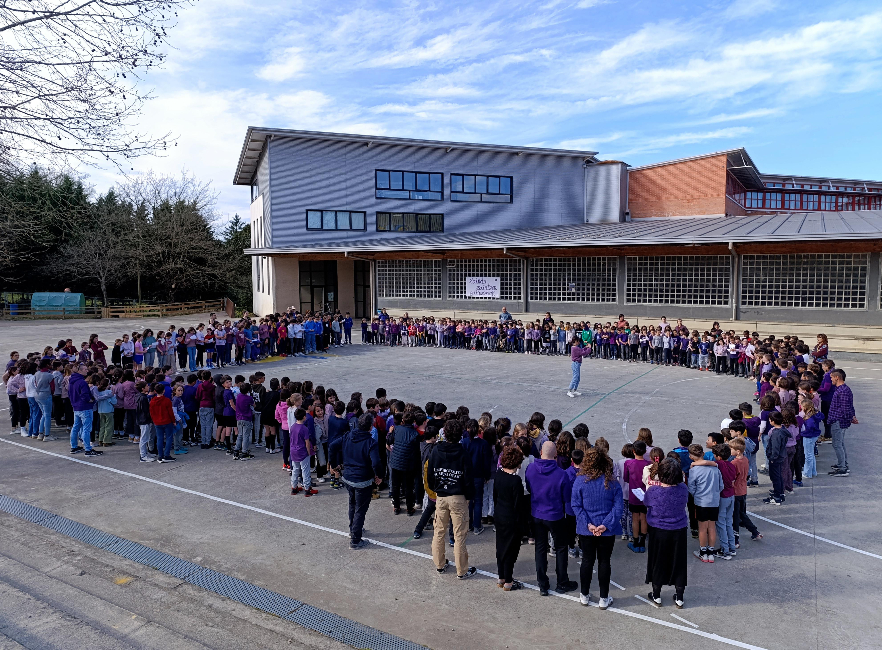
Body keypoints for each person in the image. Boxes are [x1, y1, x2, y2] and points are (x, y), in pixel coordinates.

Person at [571, 447, 622, 609]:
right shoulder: (612, 482)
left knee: (587, 560)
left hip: (587, 530)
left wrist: (589, 524)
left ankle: (584, 595)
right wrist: (605, 525)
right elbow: (618, 508)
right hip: (606, 530)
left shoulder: (580, 481)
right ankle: (603, 598)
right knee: (604, 562)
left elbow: (576, 506)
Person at [427, 419, 477, 579]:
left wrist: (436, 489)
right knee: (459, 534)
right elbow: (469, 478)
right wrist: (469, 497)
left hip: (441, 496)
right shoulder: (463, 453)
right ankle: (462, 570)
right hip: (458, 497)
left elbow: (429, 474)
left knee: (439, 531)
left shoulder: (436, 450)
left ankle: (439, 564)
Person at [525, 440, 577, 596]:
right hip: (555, 515)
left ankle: (542, 583)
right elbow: (567, 497)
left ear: (541, 452)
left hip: (537, 513)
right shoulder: (561, 474)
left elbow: (528, 487)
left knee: (540, 548)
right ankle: (562, 581)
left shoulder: (531, 468)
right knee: (561, 547)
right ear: (555, 455)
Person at [643, 458, 689, 609]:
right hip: (679, 530)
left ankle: (656, 594)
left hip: (659, 530)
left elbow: (647, 503)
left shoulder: (654, 491)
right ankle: (679, 597)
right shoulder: (683, 489)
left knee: (658, 561)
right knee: (679, 562)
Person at [494, 444, 526, 591]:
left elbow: (495, 496)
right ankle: (508, 581)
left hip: (500, 515)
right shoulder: (516, 481)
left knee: (501, 547)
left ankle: (501, 577)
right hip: (512, 519)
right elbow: (518, 504)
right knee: (511, 550)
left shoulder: (498, 474)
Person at [687, 443, 721, 562]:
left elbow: (691, 488)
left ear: (691, 456)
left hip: (701, 502)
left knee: (702, 528)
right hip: (714, 501)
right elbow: (721, 486)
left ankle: (703, 552)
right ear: (703, 453)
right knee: (712, 527)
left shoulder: (694, 470)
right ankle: (710, 552)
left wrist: (697, 495)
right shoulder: (715, 469)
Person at [827, 369, 857, 477]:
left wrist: (849, 417)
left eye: (831, 378)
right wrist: (852, 416)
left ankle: (842, 468)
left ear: (837, 377)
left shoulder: (842, 391)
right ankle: (843, 463)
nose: (831, 380)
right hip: (839, 420)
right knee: (840, 443)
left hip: (838, 421)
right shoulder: (844, 389)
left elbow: (846, 407)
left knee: (837, 444)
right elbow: (850, 405)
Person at [68, 363, 101, 456]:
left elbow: (70, 394)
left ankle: (74, 446)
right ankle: (88, 449)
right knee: (87, 429)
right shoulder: (82, 382)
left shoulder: (72, 381)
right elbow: (85, 395)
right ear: (80, 370)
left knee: (76, 427)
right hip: (85, 407)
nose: (87, 371)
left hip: (76, 407)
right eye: (85, 369)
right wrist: (91, 400)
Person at [623, 441, 650, 552]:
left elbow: (625, 478)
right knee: (643, 518)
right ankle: (642, 543)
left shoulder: (628, 464)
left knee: (635, 519)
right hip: (645, 495)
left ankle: (635, 542)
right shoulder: (648, 464)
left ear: (633, 451)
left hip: (634, 495)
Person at [763, 412, 788, 505]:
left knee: (775, 477)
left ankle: (776, 497)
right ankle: (780, 493)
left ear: (773, 421)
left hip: (776, 458)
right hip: (781, 456)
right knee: (779, 476)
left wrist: (772, 458)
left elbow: (775, 448)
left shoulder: (776, 434)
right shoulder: (783, 430)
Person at [149, 381, 176, 463]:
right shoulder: (167, 401)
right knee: (169, 438)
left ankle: (160, 456)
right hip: (167, 421)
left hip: (157, 422)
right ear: (163, 391)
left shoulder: (152, 401)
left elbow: (151, 413)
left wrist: (154, 420)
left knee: (159, 438)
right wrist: (173, 421)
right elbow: (170, 412)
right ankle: (166, 455)